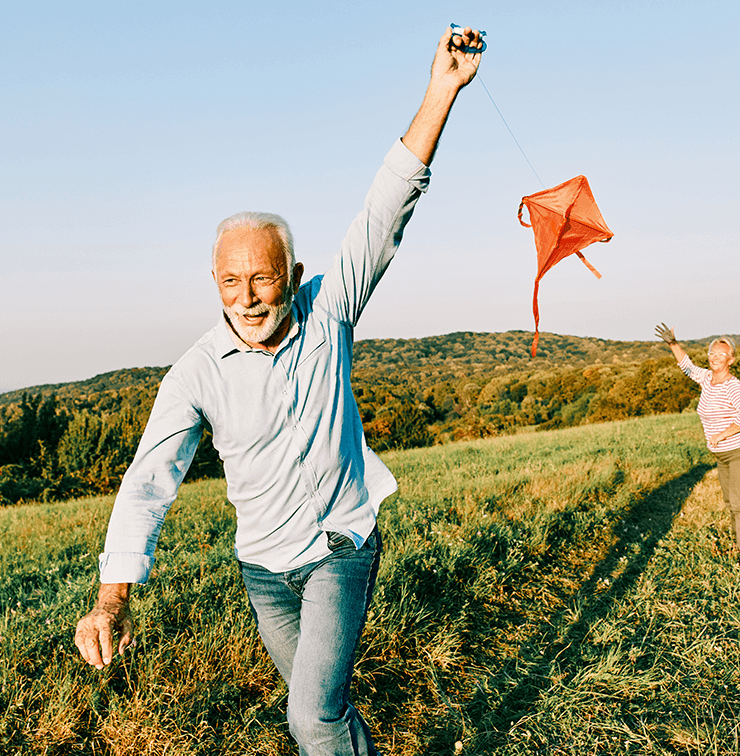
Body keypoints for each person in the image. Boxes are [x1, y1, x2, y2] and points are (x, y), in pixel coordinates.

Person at [74, 26, 484, 756]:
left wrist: (441, 90)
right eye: (232, 281)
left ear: (293, 276)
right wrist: (113, 598)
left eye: (264, 277)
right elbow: (148, 484)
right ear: (215, 284)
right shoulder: (195, 372)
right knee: (322, 712)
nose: (250, 296)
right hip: (264, 570)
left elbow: (387, 206)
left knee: (310, 719)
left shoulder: (329, 311)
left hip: (339, 544)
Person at [655, 323, 740, 566]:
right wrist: (673, 343)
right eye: (712, 353)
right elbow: (687, 367)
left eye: (721, 354)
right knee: (730, 502)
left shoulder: (732, 385)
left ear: (731, 360)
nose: (715, 358)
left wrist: (723, 434)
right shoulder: (706, 378)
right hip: (721, 455)